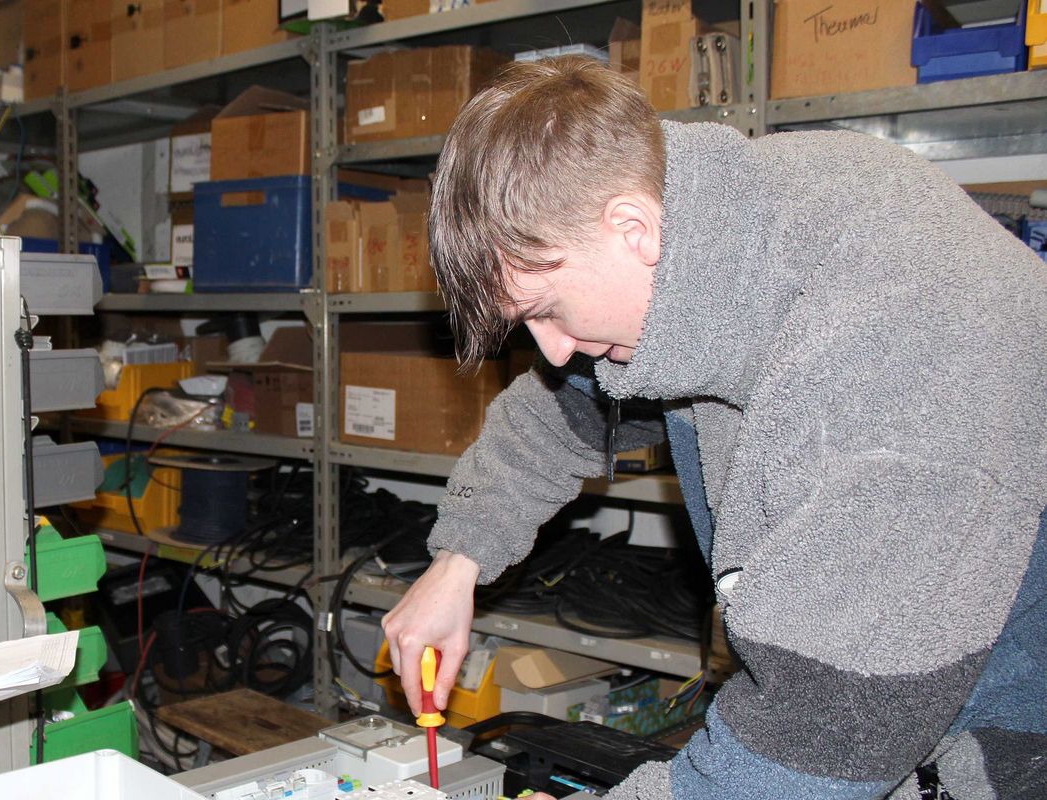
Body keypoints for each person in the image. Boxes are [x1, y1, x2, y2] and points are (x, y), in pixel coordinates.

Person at [381, 56, 1046, 799]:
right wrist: (460, 561)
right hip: (880, 700)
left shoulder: (891, 366)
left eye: (545, 310)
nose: (556, 350)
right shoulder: (716, 221)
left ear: (631, 229)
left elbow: (816, 742)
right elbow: (559, 410)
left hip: (1001, 740)